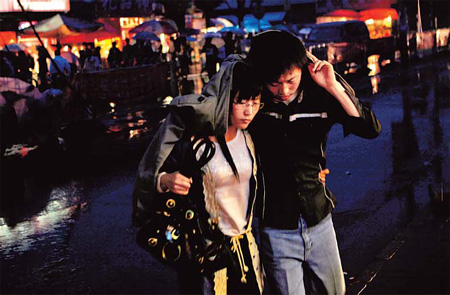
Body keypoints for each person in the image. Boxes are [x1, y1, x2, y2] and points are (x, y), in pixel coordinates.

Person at [246, 30, 382, 295]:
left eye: (290, 80)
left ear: (302, 69)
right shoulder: (254, 104)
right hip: (276, 227)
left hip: (319, 219)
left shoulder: (318, 95)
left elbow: (370, 128)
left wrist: (333, 86)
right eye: (274, 83)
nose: (283, 91)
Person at [132, 57, 265, 294]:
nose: (249, 111)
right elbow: (153, 172)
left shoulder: (251, 138)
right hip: (206, 255)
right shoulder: (193, 142)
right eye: (241, 102)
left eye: (255, 102)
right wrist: (165, 180)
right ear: (225, 100)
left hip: (246, 250)